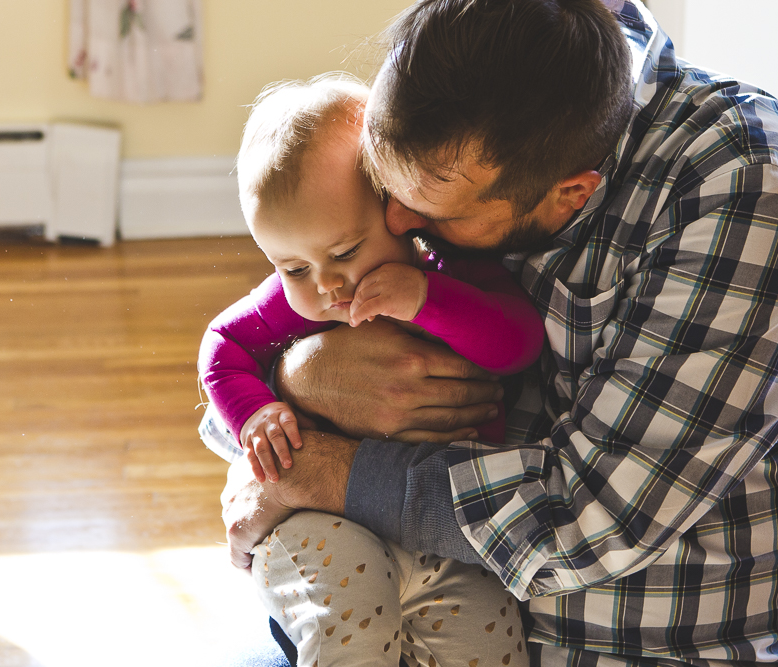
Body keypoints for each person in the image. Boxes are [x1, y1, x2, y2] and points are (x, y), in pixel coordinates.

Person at [220, 1, 778, 665]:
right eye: (383, 190)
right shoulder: (447, 109)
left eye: (429, 211)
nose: (397, 223)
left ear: (569, 194)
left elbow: (589, 517)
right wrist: (303, 374)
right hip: (430, 588)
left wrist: (325, 471)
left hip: (657, 644)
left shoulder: (745, 184)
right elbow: (247, 344)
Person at [199, 75, 542, 666]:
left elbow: (518, 343)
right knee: (346, 638)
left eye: (343, 253)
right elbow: (222, 344)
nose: (325, 285)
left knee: (490, 641)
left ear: (399, 210)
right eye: (292, 267)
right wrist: (255, 410)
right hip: (320, 523)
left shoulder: (448, 272)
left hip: (449, 535)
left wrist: (426, 299)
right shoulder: (294, 302)